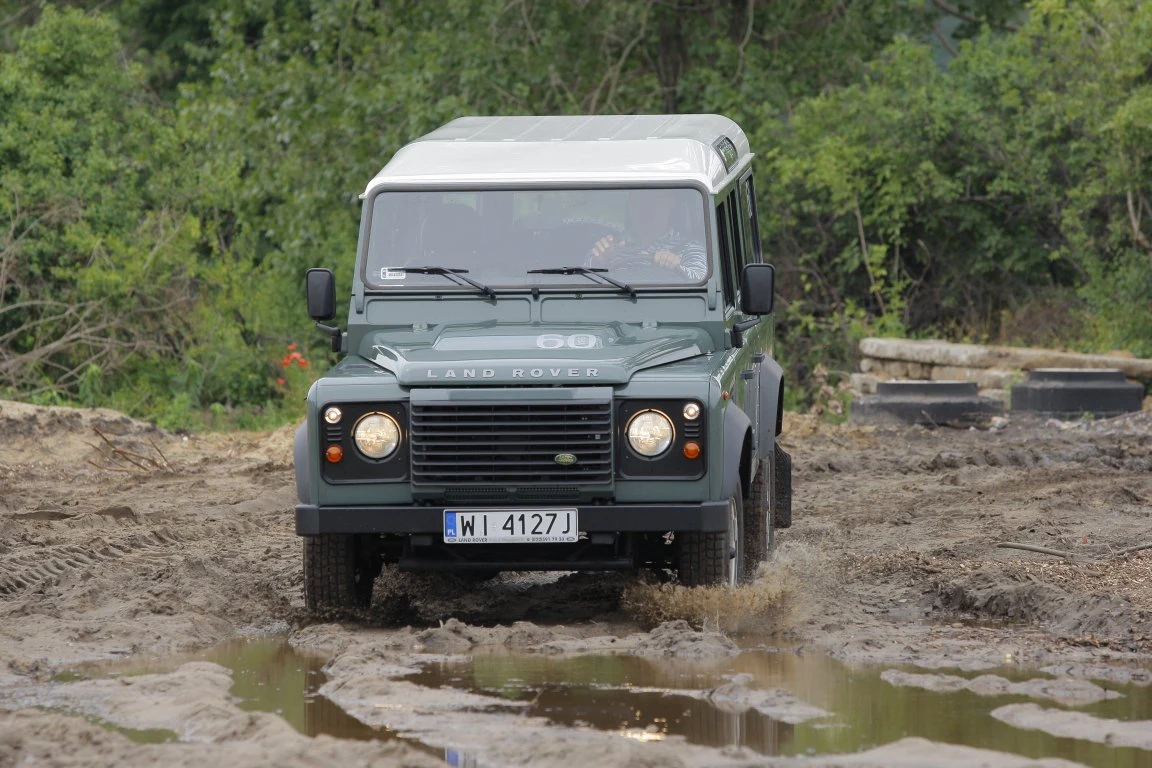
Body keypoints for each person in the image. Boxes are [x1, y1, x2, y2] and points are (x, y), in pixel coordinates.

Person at [586, 190, 707, 281]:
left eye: (655, 201)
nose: (646, 208)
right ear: (630, 205)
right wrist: (599, 261)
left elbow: (704, 282)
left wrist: (677, 267)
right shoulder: (611, 247)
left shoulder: (689, 248)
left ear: (670, 205)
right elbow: (582, 283)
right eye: (639, 200)